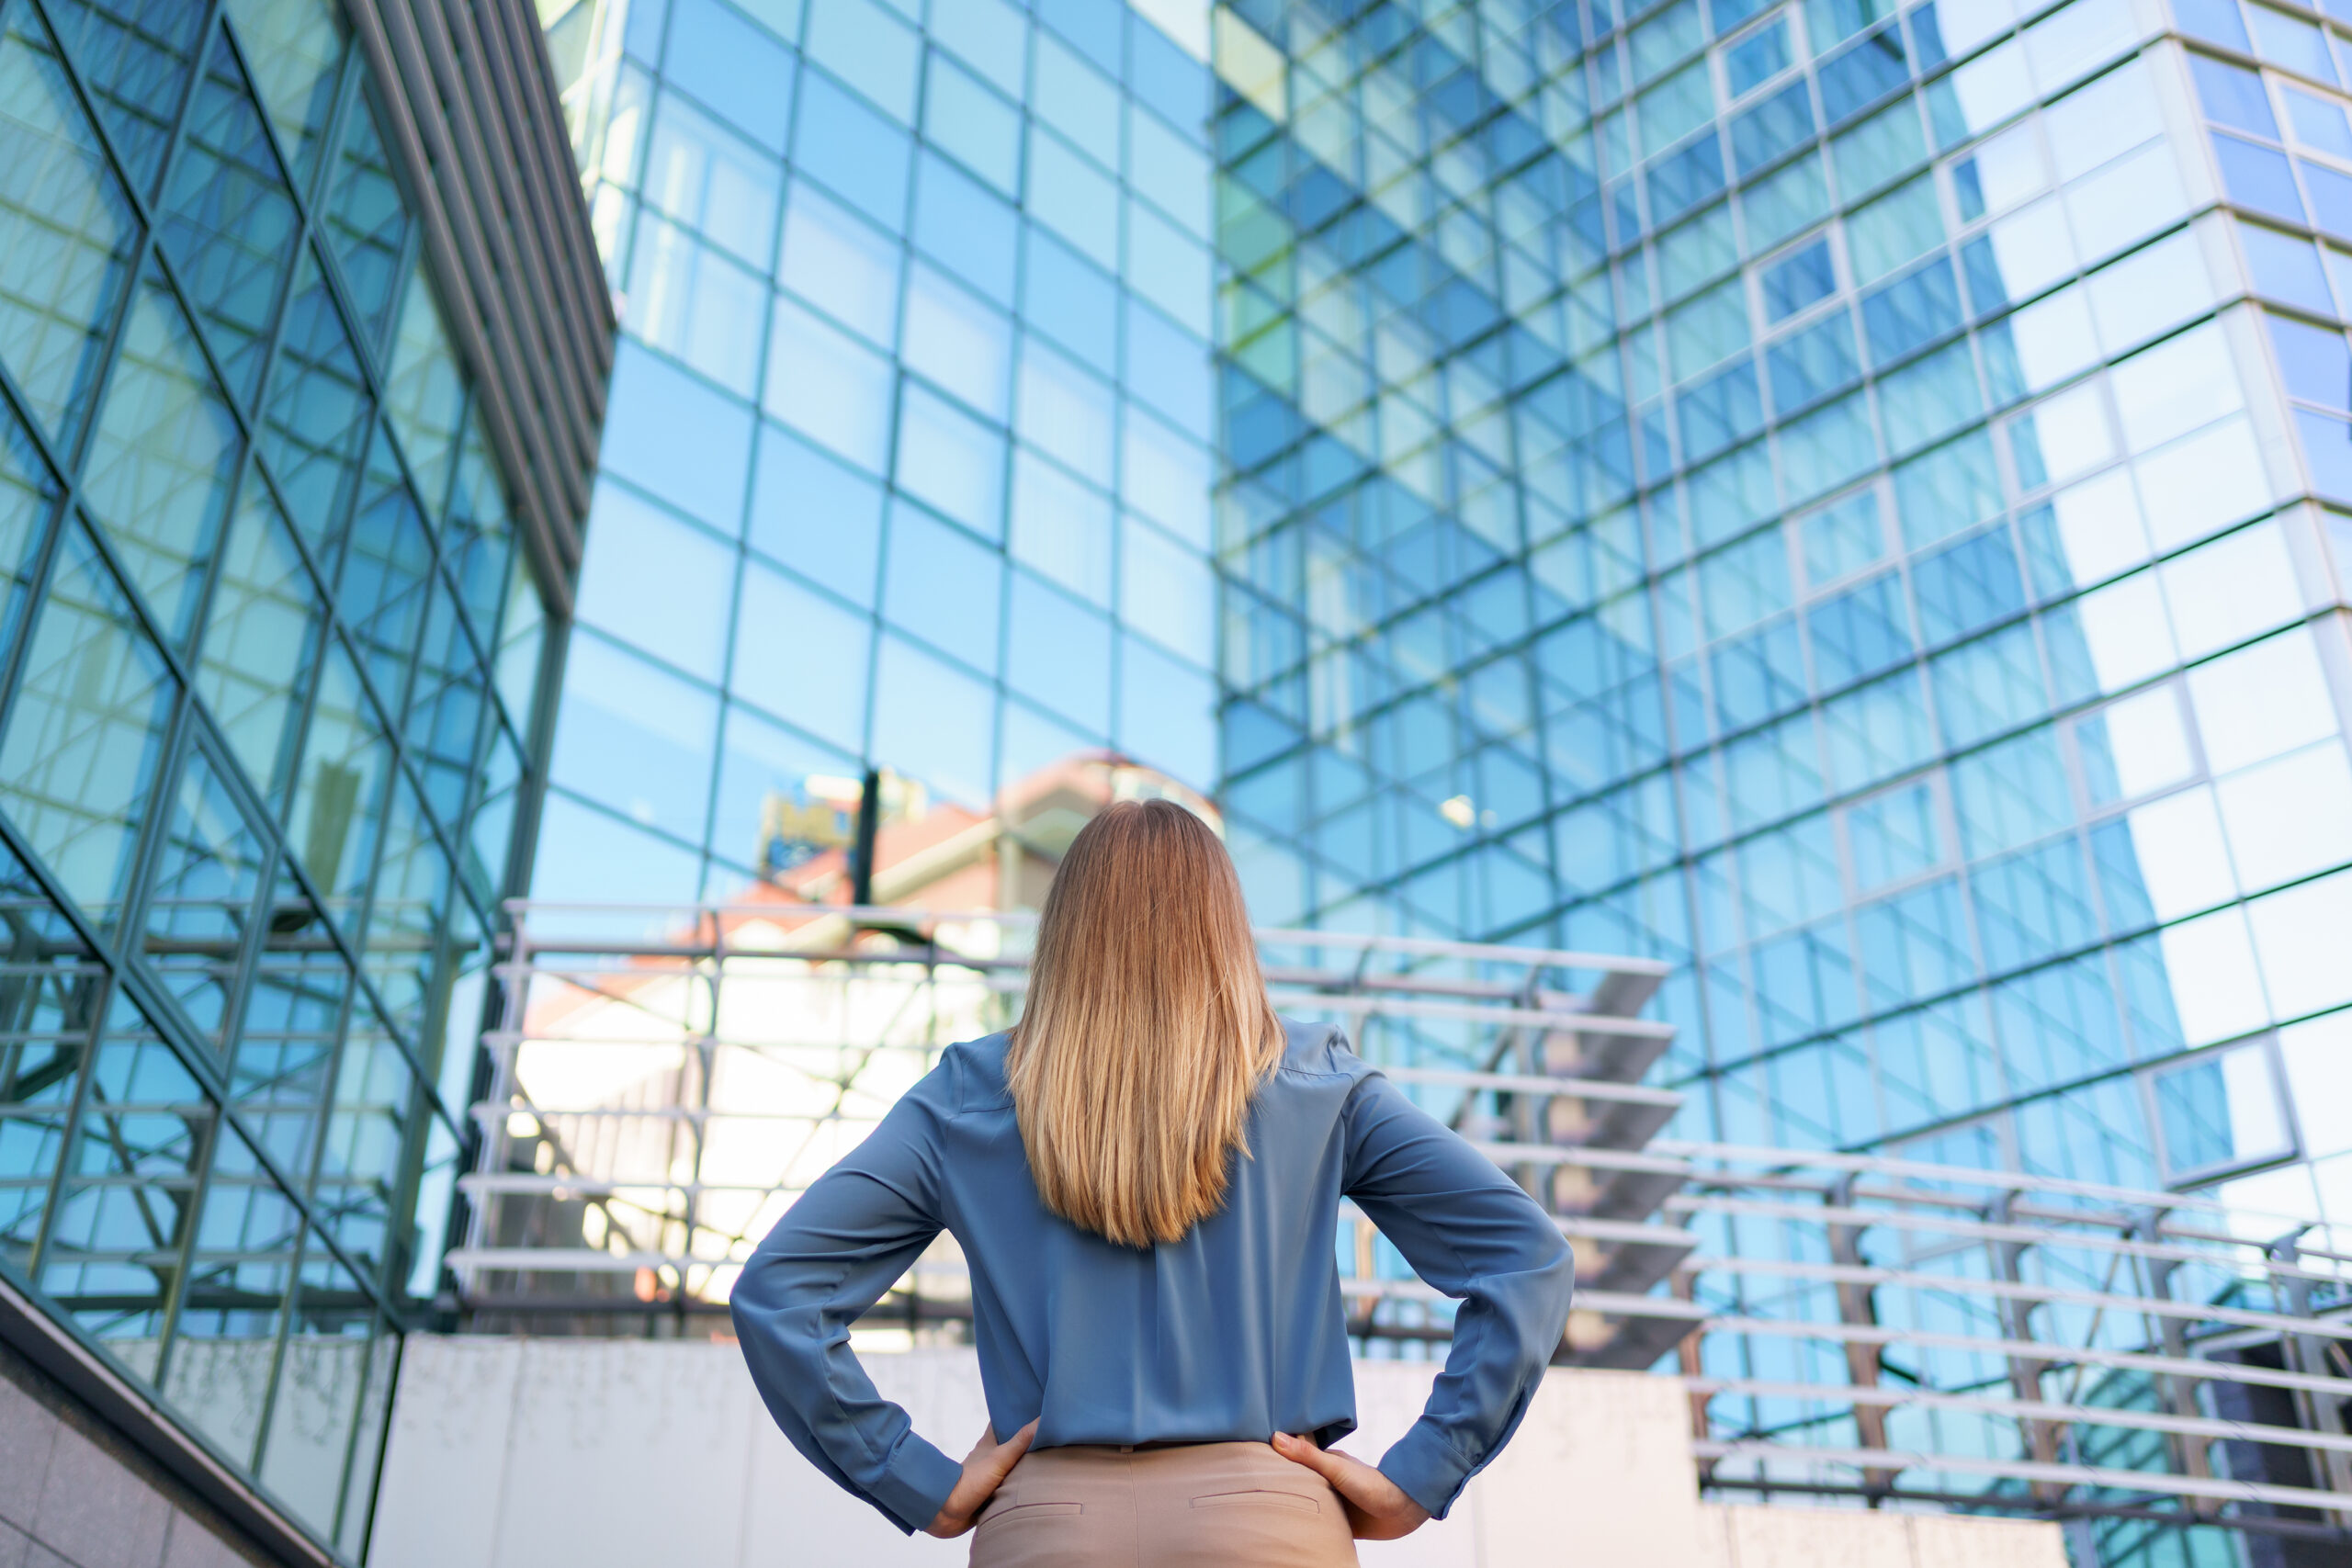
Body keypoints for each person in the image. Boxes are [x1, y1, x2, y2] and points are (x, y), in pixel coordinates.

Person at [730, 798, 1576, 1565]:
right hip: (1268, 1520)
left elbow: (781, 1293)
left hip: (1046, 1524)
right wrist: (1423, 1472)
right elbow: (1526, 1258)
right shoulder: (1317, 1081)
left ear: (1064, 928)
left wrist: (916, 1478)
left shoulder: (967, 1094)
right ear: (1224, 925)